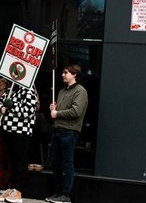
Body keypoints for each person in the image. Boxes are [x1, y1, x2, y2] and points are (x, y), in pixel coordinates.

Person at [46, 64, 89, 203]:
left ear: (74, 74)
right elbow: (59, 113)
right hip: (58, 130)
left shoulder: (80, 91)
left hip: (69, 132)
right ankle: (59, 193)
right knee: (56, 163)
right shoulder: (61, 91)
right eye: (63, 72)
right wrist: (55, 109)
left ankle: (66, 195)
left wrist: (57, 113)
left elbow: (76, 111)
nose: (63, 75)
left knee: (67, 164)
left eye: (66, 73)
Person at [0, 82, 38, 203]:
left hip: (20, 132)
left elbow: (27, 112)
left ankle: (18, 190)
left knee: (20, 162)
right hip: (7, 131)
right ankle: (11, 188)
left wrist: (11, 106)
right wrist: (1, 109)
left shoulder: (29, 91)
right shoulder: (9, 91)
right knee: (11, 162)